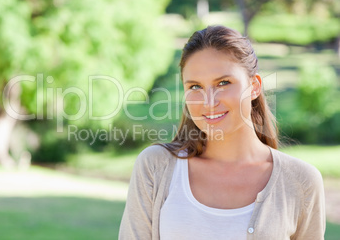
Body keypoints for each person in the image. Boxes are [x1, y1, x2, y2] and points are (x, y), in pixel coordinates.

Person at [119, 25, 326, 240]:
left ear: (254, 86)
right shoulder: (156, 166)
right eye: (195, 87)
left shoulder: (301, 182)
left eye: (223, 83)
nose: (209, 101)